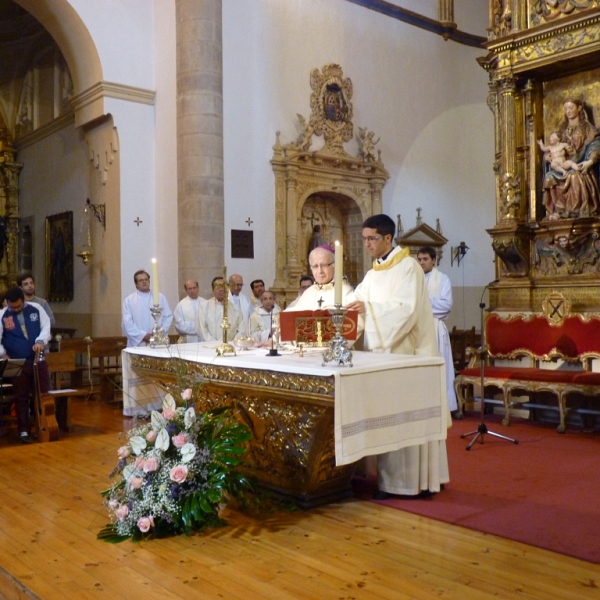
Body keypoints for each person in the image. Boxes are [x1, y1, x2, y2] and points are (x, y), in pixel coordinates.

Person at [346, 214, 449, 499]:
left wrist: (368, 310)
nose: (366, 244)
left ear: (388, 238)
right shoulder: (372, 274)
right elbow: (358, 306)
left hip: (408, 355)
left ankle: (404, 483)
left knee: (403, 419)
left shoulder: (409, 269)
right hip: (382, 355)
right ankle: (391, 477)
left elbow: (405, 311)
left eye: (371, 238)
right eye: (364, 238)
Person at [0, 286, 51, 444]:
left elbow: (46, 327)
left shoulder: (36, 309)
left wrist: (40, 341)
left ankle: (41, 426)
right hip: (18, 362)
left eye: (18, 306)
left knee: (40, 395)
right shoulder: (3, 315)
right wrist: (3, 354)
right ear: (7, 303)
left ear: (23, 300)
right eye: (12, 306)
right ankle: (23, 431)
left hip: (36, 360)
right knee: (21, 397)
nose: (15, 309)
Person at [417, 246, 459, 416]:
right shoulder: (413, 279)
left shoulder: (443, 279)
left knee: (440, 368)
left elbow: (446, 306)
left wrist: (423, 302)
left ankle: (444, 407)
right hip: (418, 329)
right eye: (419, 259)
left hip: (435, 329)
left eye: (425, 259)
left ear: (434, 260)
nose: (421, 263)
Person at [542, 97, 600, 220]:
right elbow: (552, 148)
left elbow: (594, 145)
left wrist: (589, 162)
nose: (568, 111)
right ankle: (558, 210)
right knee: (549, 177)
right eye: (566, 108)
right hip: (561, 165)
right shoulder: (561, 132)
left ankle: (575, 212)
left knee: (574, 176)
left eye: (571, 107)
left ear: (579, 108)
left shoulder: (588, 129)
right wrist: (547, 157)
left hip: (580, 165)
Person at [286, 246, 355, 311]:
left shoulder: (345, 291)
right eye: (315, 266)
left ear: (334, 265)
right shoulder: (308, 293)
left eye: (324, 265)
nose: (320, 271)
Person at [122, 270, 173, 348]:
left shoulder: (160, 297)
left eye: (146, 279)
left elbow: (168, 316)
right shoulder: (129, 300)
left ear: (149, 281)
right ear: (136, 284)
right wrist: (142, 336)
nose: (144, 282)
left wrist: (159, 333)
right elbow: (127, 323)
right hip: (138, 344)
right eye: (141, 280)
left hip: (157, 341)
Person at [194, 277, 245, 341]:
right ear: (212, 290)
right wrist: (215, 344)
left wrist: (233, 343)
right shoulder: (204, 307)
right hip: (210, 347)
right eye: (218, 287)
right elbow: (201, 329)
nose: (221, 290)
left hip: (231, 347)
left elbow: (241, 329)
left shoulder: (235, 308)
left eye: (224, 287)